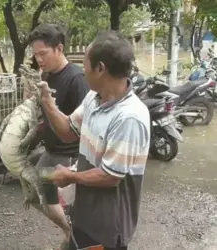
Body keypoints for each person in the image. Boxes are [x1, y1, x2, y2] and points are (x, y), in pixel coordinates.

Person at [36, 31, 151, 250]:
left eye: (85, 63)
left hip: (107, 227)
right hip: (85, 215)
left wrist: (69, 175)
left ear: (100, 68)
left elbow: (110, 176)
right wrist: (47, 103)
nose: (82, 70)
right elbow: (68, 131)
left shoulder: (129, 116)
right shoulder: (93, 98)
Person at [26, 23, 90, 247]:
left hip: (69, 156)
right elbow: (44, 112)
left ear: (59, 49)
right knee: (33, 190)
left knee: (67, 203)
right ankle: (68, 229)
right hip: (50, 151)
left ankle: (75, 236)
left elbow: (85, 124)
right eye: (36, 55)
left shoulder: (76, 79)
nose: (39, 59)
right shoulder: (47, 75)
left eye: (43, 53)